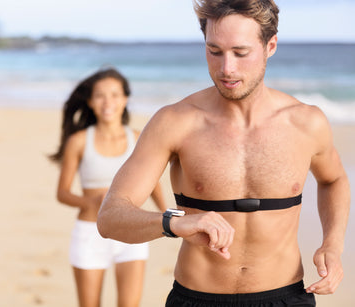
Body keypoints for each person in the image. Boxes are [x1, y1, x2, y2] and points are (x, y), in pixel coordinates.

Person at [97, 1, 351, 306]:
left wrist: (332, 245)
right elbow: (110, 217)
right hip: (197, 298)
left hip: (286, 298)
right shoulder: (174, 122)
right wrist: (174, 223)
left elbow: (334, 180)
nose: (226, 68)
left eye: (240, 53)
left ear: (270, 46)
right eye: (214, 51)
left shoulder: (306, 122)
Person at [50, 67, 167, 307]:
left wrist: (167, 217)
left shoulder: (138, 138)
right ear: (91, 102)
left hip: (131, 230)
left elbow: (153, 183)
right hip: (89, 233)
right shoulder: (79, 141)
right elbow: (62, 193)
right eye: (100, 95)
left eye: (115, 95)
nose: (108, 102)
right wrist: (90, 202)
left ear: (125, 99)